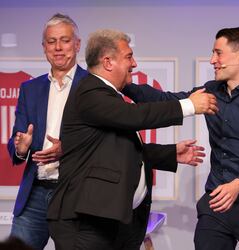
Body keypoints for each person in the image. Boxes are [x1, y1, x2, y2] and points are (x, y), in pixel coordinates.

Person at [46, 29, 218, 250]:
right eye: (128, 56)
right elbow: (134, 116)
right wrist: (189, 105)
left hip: (108, 220)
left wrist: (169, 153)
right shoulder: (90, 91)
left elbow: (116, 151)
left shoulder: (108, 95)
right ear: (108, 62)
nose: (134, 63)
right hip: (85, 221)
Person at [122, 27, 239, 250]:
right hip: (216, 202)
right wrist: (121, 82)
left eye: (218, 53)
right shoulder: (211, 91)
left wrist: (237, 184)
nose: (212, 60)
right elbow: (166, 100)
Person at [7, 13, 87, 249]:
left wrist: (68, 148)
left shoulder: (93, 86)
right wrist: (21, 148)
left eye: (64, 40)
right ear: (44, 48)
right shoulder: (30, 89)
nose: (58, 48)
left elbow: (102, 141)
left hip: (75, 194)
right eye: (51, 42)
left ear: (77, 44)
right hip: (35, 194)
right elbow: (16, 142)